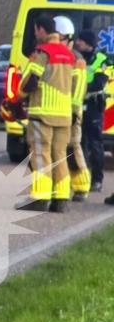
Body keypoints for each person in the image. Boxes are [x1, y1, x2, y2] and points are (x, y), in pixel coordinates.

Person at [15, 14, 75, 213]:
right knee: (60, 155)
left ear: (41, 29)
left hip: (42, 113)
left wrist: (18, 96)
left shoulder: (42, 52)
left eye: (35, 30)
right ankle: (61, 199)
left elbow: (30, 80)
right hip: (64, 115)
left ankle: (41, 198)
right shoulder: (69, 55)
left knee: (41, 154)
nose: (35, 33)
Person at [55, 16, 92, 201]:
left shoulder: (76, 59)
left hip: (70, 112)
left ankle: (81, 185)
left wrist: (73, 112)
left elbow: (77, 90)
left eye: (57, 36)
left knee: (72, 147)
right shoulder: (57, 55)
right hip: (57, 111)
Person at [74, 30, 108, 195]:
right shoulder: (75, 57)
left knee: (95, 145)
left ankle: (96, 180)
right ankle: (81, 179)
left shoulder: (101, 59)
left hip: (93, 106)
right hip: (78, 105)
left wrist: (78, 87)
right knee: (79, 144)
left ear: (88, 43)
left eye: (81, 40)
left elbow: (99, 83)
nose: (77, 42)